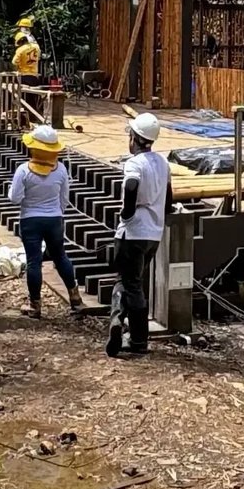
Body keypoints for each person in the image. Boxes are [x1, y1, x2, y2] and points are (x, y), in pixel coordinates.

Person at [108, 112, 169, 358]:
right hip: (153, 234)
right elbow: (169, 197)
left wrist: (126, 214)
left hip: (132, 232)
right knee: (133, 282)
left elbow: (131, 185)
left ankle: (135, 337)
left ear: (134, 137)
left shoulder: (134, 163)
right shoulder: (162, 163)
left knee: (128, 283)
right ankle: (122, 324)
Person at [7, 125, 85, 317]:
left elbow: (14, 198)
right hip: (54, 220)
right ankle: (75, 298)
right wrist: (57, 213)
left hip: (30, 220)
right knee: (60, 257)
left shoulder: (23, 171)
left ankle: (35, 305)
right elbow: (65, 199)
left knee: (34, 262)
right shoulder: (61, 171)